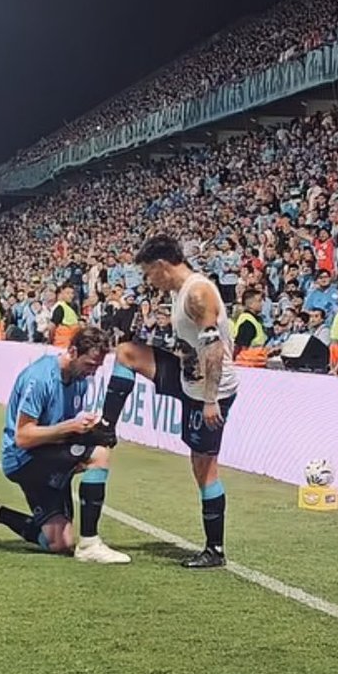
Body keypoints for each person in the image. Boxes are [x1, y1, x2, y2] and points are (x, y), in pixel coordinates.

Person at [98, 234, 239, 569]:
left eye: (149, 273)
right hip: (188, 376)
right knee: (127, 353)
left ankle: (215, 550)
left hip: (211, 389)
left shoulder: (197, 294)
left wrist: (210, 401)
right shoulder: (179, 292)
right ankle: (105, 427)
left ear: (162, 266)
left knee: (203, 467)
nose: (149, 280)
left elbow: (214, 349)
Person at [0, 326, 130, 563]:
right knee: (98, 456)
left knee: (60, 543)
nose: (93, 372)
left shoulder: (79, 380)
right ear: (73, 351)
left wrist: (91, 432)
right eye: (90, 364)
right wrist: (71, 427)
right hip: (22, 458)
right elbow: (23, 437)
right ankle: (90, 543)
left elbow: (62, 430)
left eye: (97, 366)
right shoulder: (40, 378)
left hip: (48, 452)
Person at [232, 287, 269, 367]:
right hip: (248, 366)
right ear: (250, 304)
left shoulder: (256, 320)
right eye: (259, 301)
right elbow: (242, 348)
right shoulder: (247, 323)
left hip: (256, 364)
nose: (262, 304)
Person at [49, 282, 81, 349]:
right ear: (62, 293)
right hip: (62, 345)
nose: (70, 295)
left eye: (72, 293)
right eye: (67, 293)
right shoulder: (60, 308)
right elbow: (52, 327)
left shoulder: (74, 307)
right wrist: (51, 341)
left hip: (72, 344)